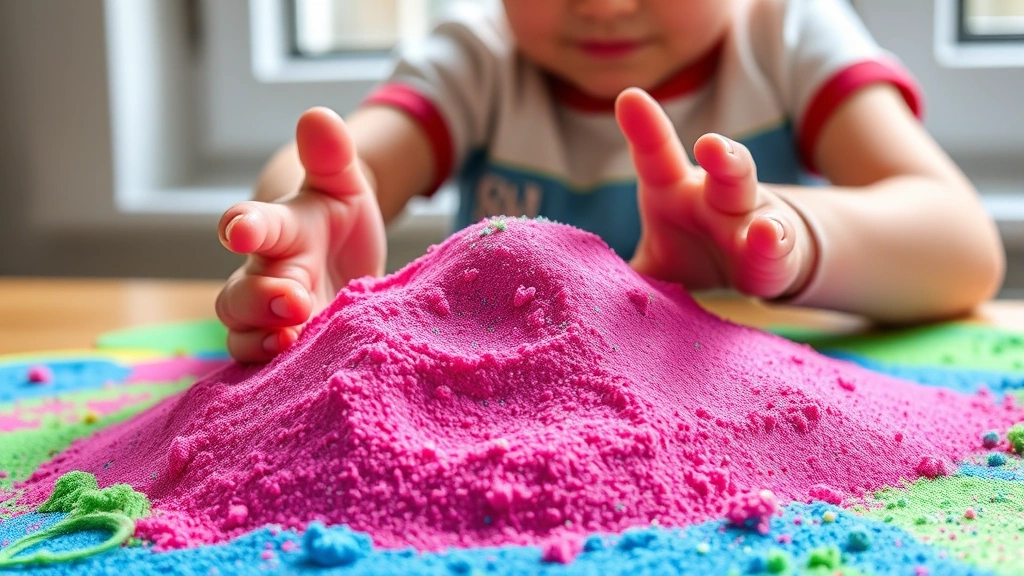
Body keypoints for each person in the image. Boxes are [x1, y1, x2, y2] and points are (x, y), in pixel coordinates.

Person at [215, 0, 1005, 363]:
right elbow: (342, 165)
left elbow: (961, 247)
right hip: (500, 407)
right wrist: (310, 218)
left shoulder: (789, 34)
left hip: (722, 397)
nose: (602, 7)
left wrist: (784, 239)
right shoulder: (479, 59)